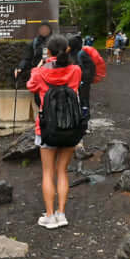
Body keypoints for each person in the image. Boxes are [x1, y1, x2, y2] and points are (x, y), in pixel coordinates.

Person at [27, 36, 82, 230]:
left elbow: (30, 86)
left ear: (48, 52)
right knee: (62, 171)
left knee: (48, 172)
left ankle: (49, 217)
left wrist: (40, 66)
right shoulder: (75, 70)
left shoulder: (41, 72)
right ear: (67, 50)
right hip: (71, 127)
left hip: (47, 128)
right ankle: (61, 214)